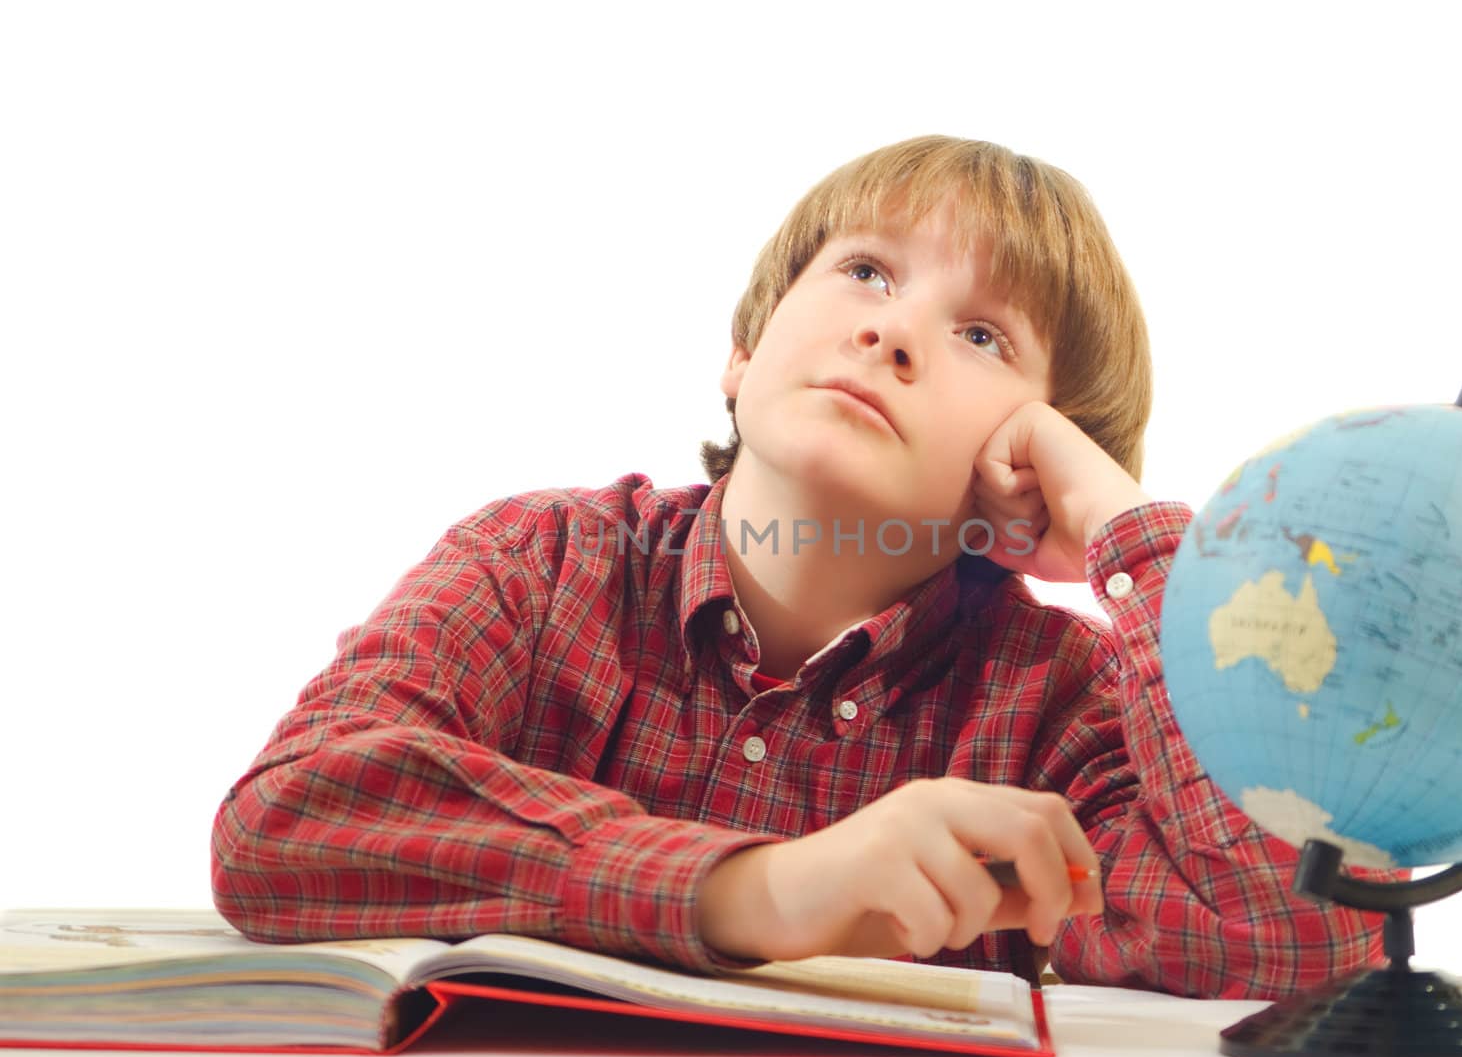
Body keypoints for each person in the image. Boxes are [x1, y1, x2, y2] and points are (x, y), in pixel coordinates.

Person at [211, 135, 1385, 998]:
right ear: (743, 349)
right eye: (867, 272)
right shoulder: (543, 560)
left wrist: (1123, 524)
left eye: (982, 335)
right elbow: (284, 818)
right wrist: (760, 891)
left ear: (1031, 450)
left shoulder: (1061, 697)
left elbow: (1285, 945)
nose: (893, 331)